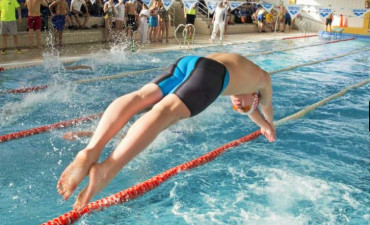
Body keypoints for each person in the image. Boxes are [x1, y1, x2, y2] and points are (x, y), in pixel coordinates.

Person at [56, 52, 276, 211]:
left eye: (238, 107)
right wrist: (270, 124)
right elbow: (265, 108)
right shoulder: (264, 82)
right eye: (242, 105)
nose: (237, 104)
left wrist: (260, 124)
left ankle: (92, 149)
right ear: (255, 96)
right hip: (211, 74)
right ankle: (107, 169)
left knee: (139, 98)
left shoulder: (246, 74)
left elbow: (252, 111)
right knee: (164, 112)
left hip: (189, 62)